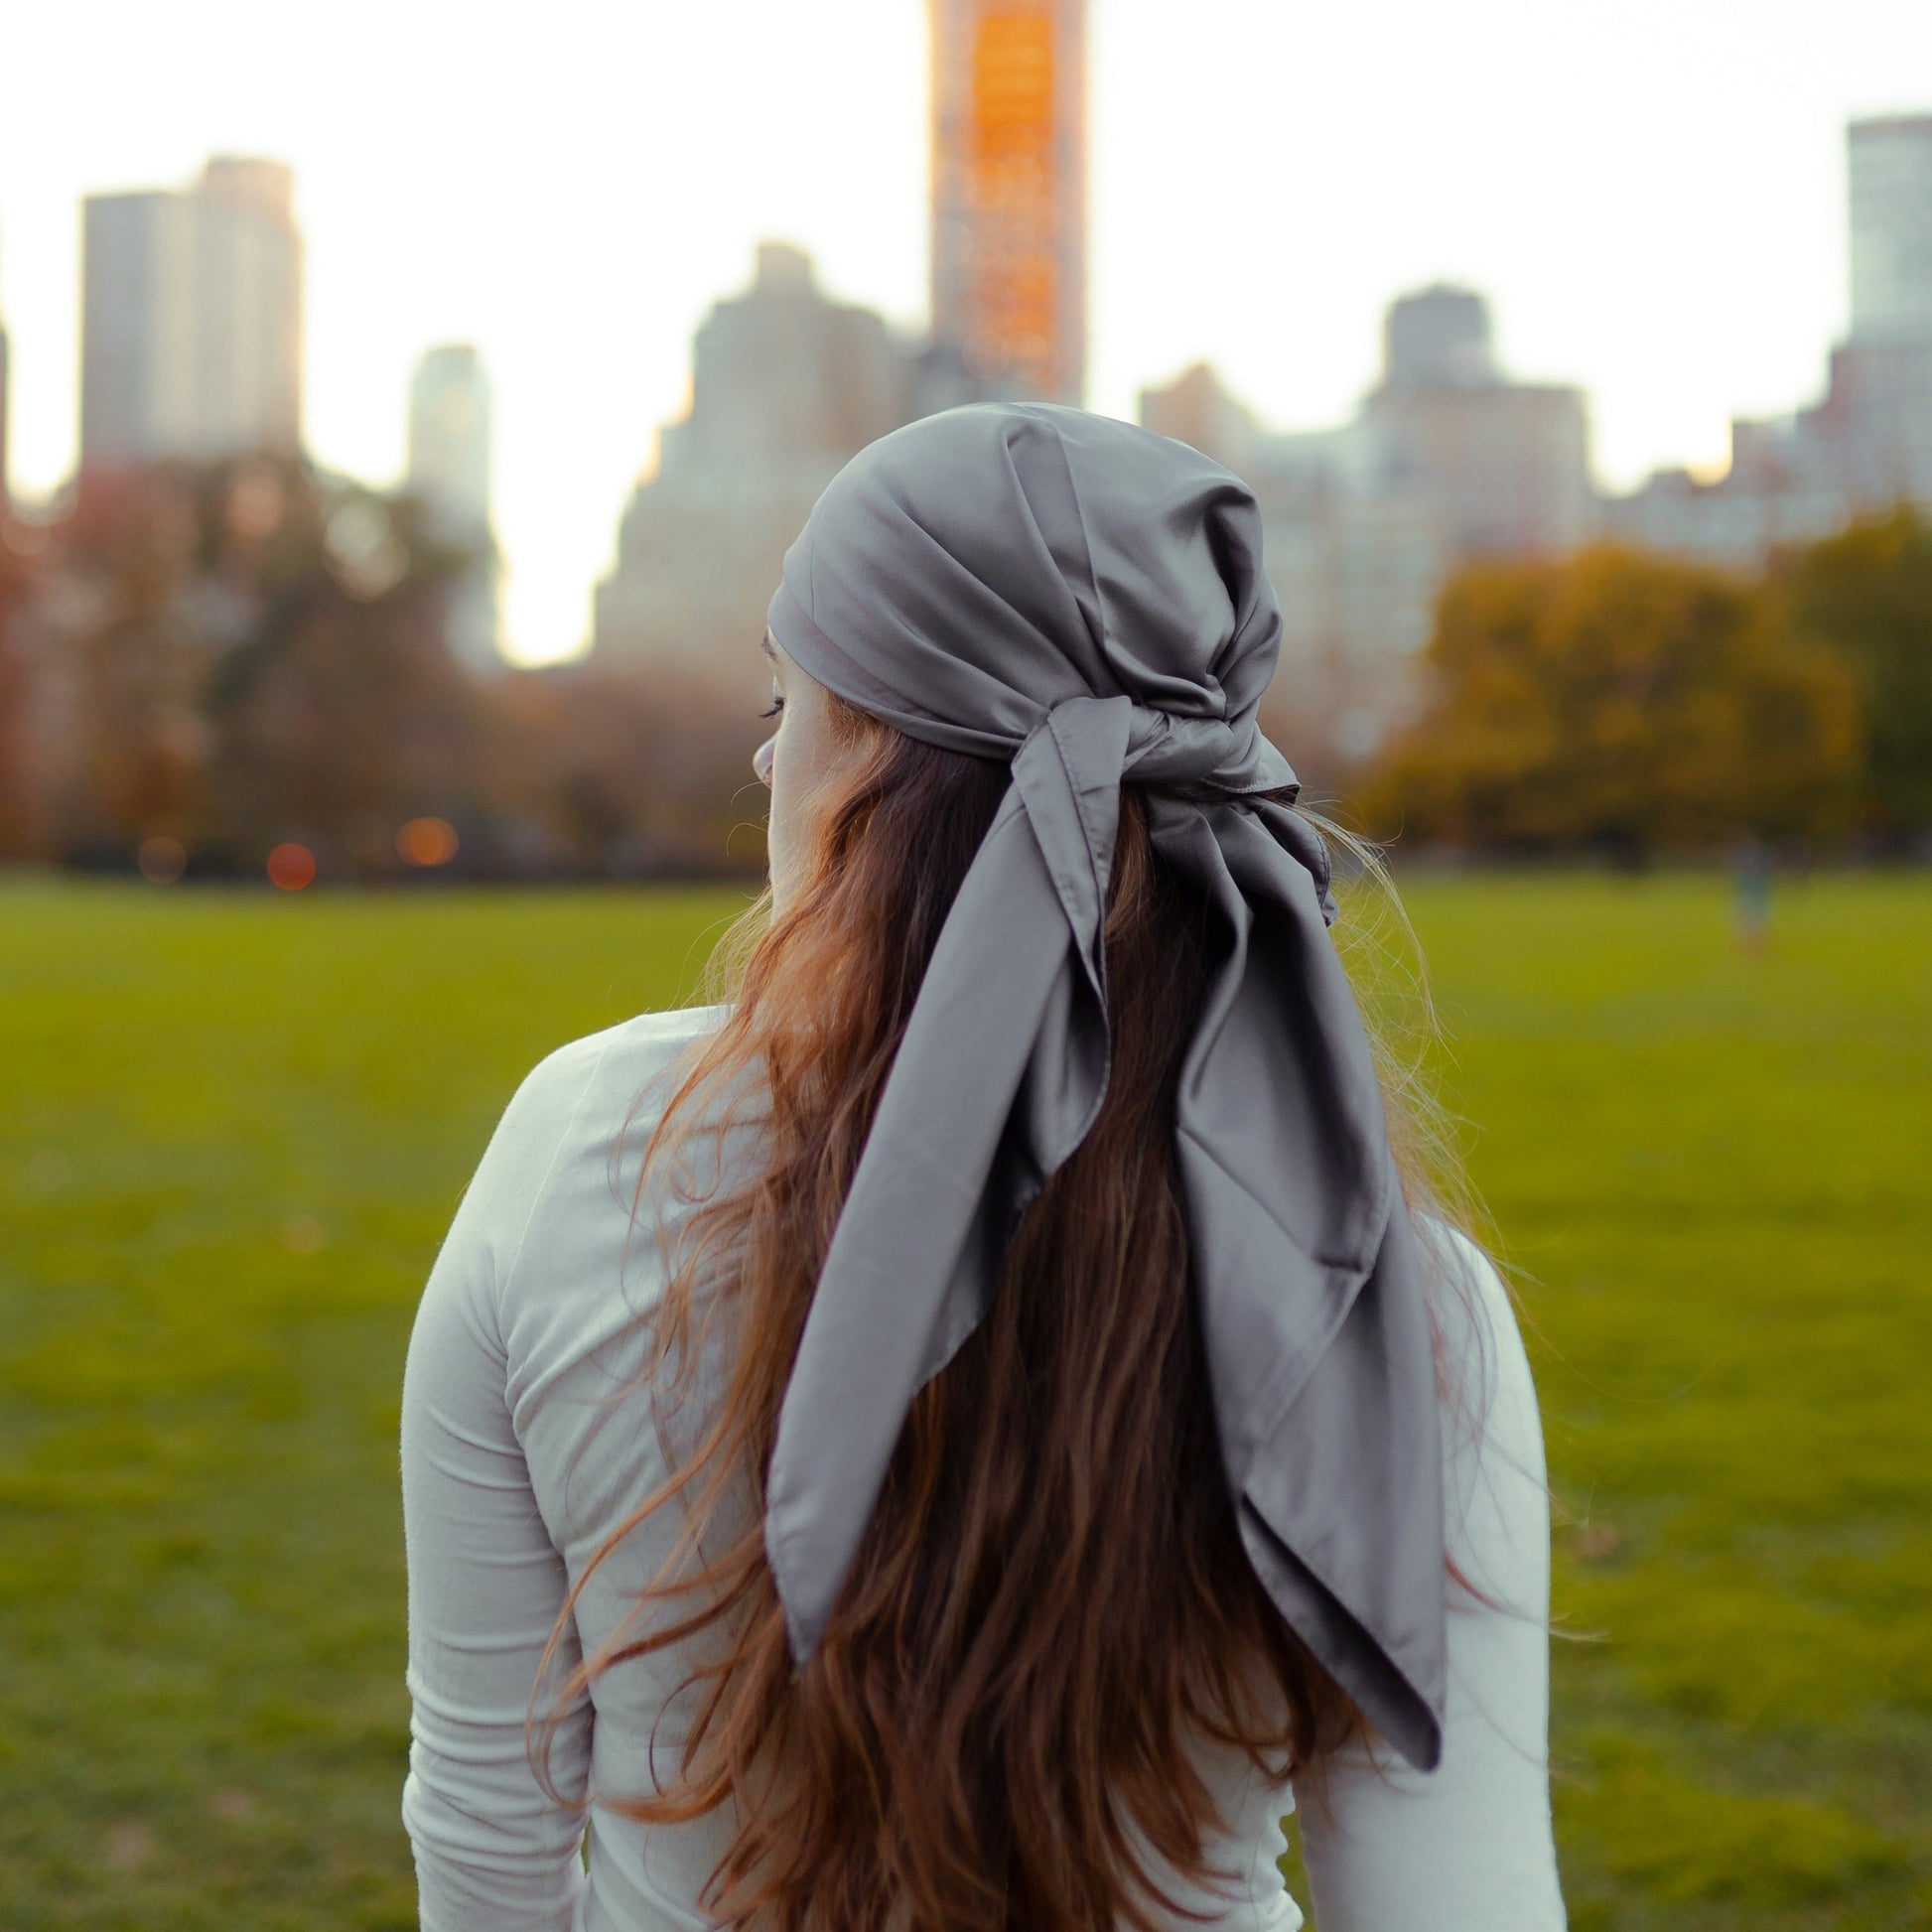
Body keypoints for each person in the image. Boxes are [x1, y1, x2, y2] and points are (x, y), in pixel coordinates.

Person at [400, 403, 1567, 1932]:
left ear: (868, 752)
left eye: (785, 695)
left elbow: (490, 1837)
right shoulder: (1395, 1303)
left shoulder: (581, 1156)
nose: (765, 751)